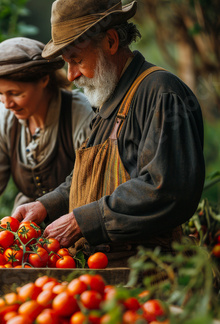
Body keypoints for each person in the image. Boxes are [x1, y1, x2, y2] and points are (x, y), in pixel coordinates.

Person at [12, 0, 205, 266]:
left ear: (111, 41)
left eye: (76, 60)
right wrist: (46, 205)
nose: (70, 76)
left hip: (145, 273)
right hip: (103, 270)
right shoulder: (110, 101)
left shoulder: (161, 93)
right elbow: (86, 180)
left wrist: (84, 221)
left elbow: (165, 188)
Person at [0, 37, 94, 220]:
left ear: (44, 79)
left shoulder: (80, 114)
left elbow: (93, 184)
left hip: (75, 229)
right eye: (0, 94)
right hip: (25, 232)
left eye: (15, 93)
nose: (7, 104)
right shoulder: (3, 117)